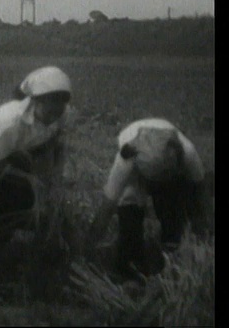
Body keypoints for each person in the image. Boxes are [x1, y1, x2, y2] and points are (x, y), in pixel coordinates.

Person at [0, 66, 73, 293]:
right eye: (49, 111)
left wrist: (52, 177)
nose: (53, 117)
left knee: (25, 218)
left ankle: (20, 265)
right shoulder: (10, 124)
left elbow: (54, 142)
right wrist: (29, 179)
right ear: (35, 102)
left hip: (26, 153)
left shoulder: (61, 114)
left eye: (58, 111)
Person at [87, 118, 211, 279]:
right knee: (129, 212)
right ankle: (129, 268)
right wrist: (89, 245)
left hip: (170, 172)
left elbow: (200, 193)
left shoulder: (188, 153)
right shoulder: (126, 160)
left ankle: (171, 253)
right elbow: (108, 206)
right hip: (140, 166)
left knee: (172, 212)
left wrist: (205, 229)